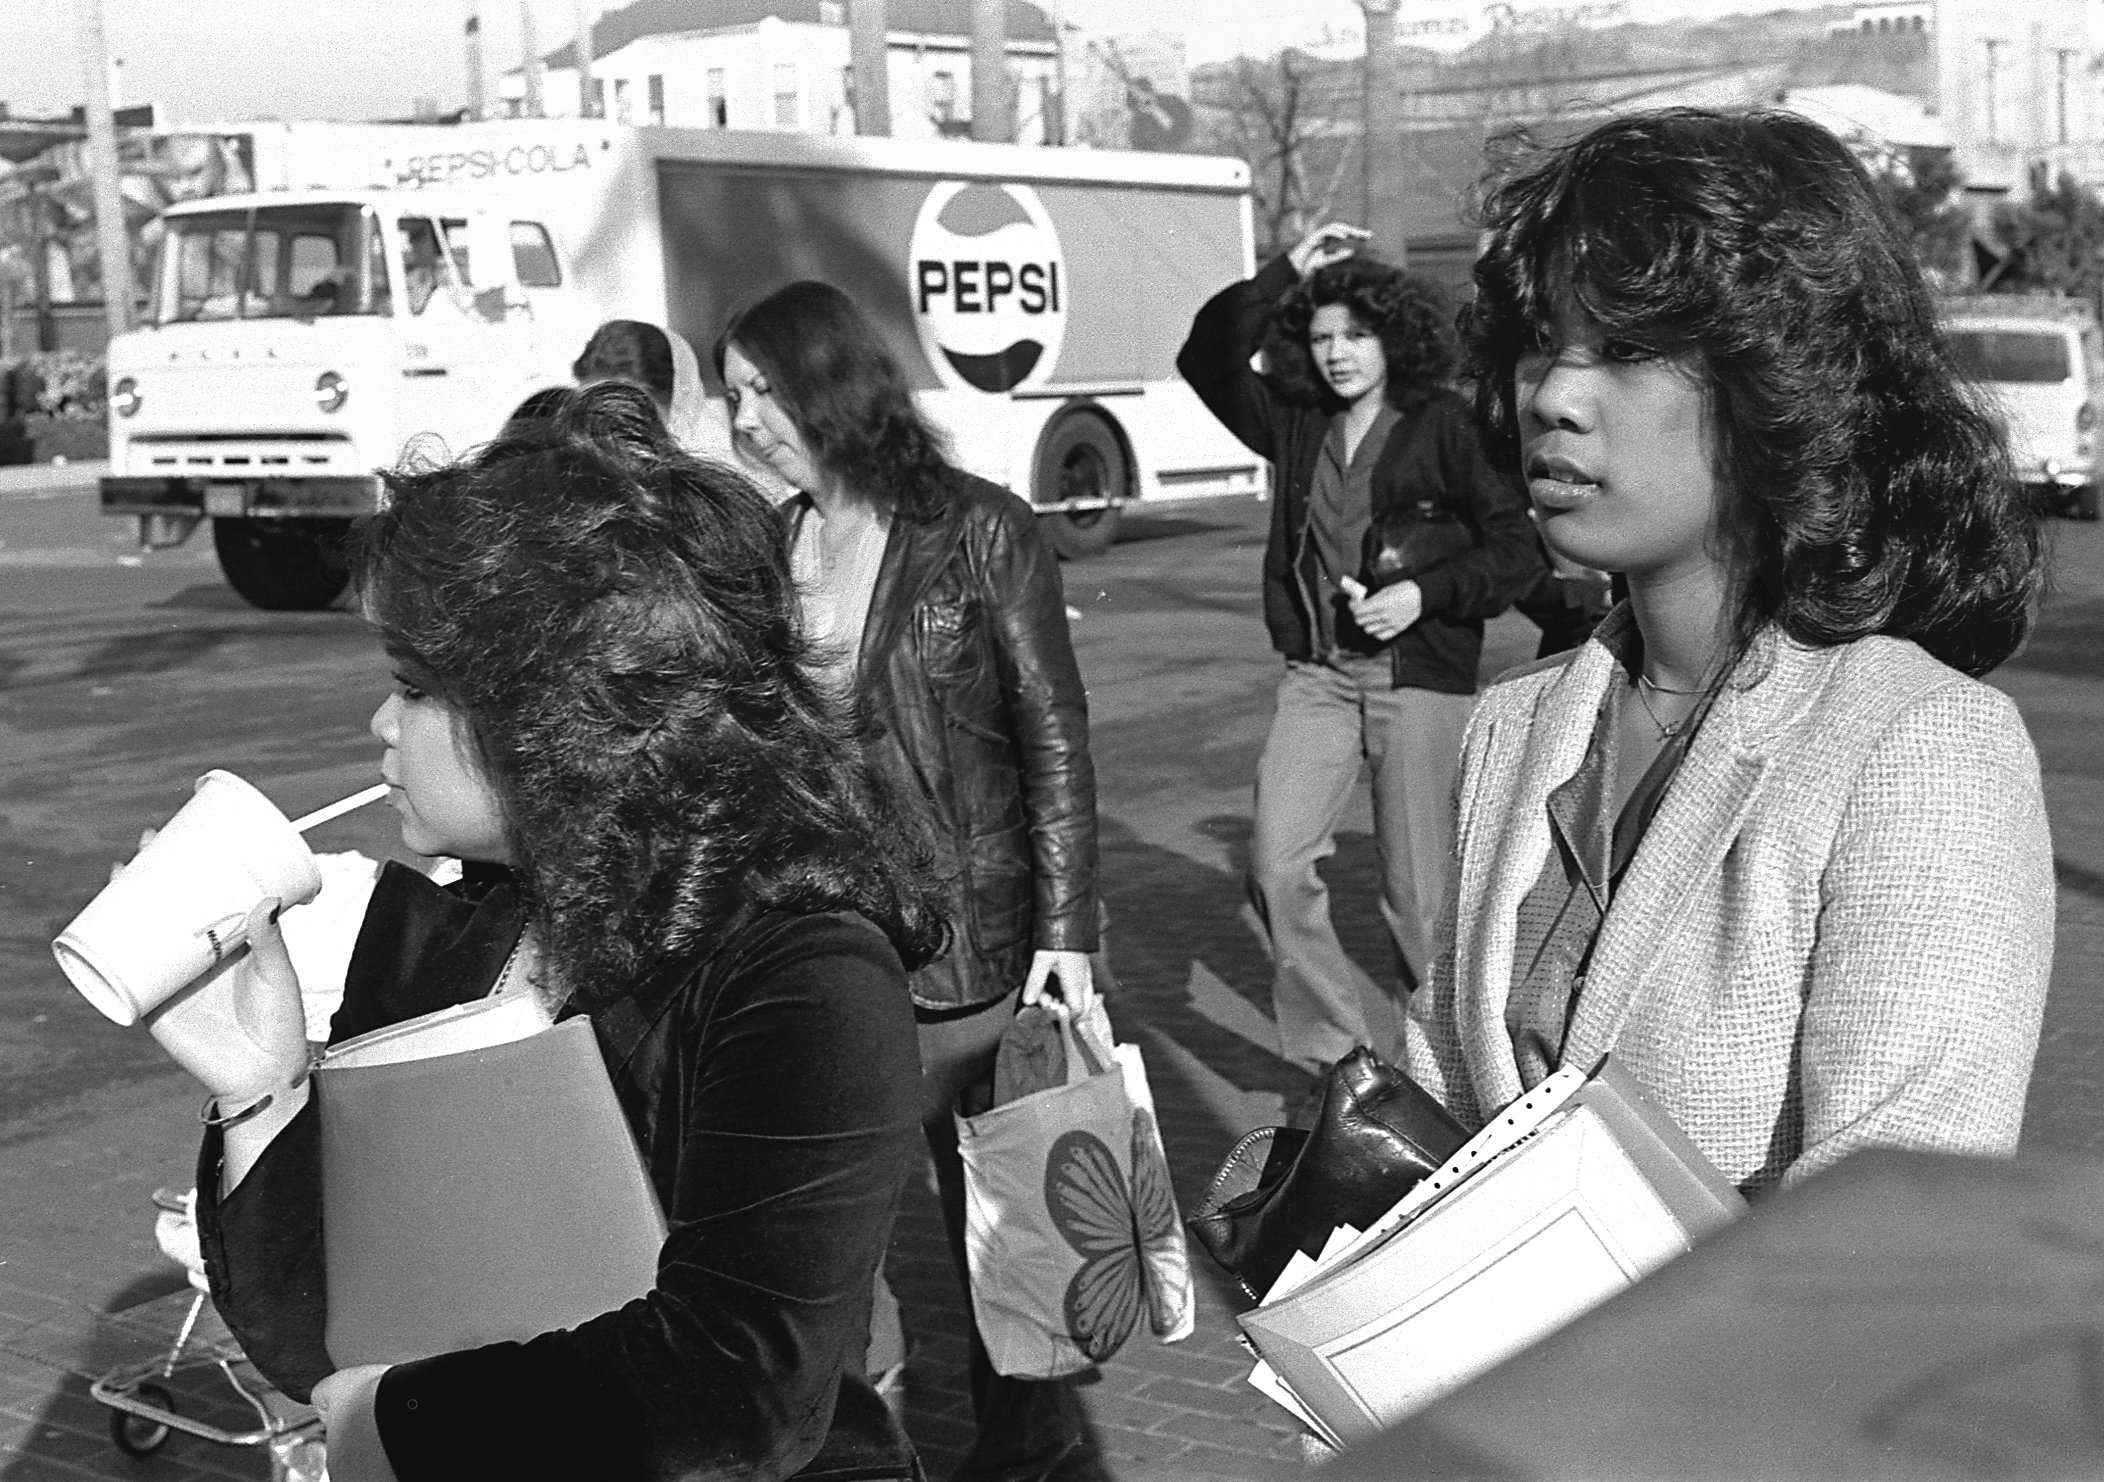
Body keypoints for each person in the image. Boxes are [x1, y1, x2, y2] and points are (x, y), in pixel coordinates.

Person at [145, 383, 947, 1479]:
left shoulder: (802, 971)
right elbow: (329, 1337)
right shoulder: (475, 918)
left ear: (556, 710)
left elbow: (738, 1382)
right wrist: (261, 1088)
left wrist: (402, 1424)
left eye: (415, 688)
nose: (382, 723)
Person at [1402, 107, 2054, 1192]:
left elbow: (1893, 1221)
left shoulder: (1916, 745)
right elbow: (1441, 1099)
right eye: (1540, 341)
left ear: (1780, 384)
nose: (1552, 396)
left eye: (1625, 348)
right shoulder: (1514, 724)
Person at [715, 281, 1105, 1482]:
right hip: (829, 940)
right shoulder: (775, 542)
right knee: (828, 1230)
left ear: (828, 385)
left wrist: (1067, 934)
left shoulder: (980, 529)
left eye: (763, 390)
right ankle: (853, 1438)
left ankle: (1030, 1445)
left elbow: (1052, 734)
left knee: (1004, 1221)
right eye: (732, 395)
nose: (744, 420)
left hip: (972, 942)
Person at [1177, 225, 1545, 1095]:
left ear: (1394, 338)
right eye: (1321, 336)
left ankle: (1461, 1077)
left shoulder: (1443, 425)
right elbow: (1205, 356)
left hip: (1415, 682)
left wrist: (1425, 593)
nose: (1337, 353)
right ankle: (1339, 1064)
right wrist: (1286, 272)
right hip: (1319, 677)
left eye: (1357, 334)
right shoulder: (1296, 421)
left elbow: (1516, 550)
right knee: (1275, 866)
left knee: (1420, 903)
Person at [574, 318, 728, 458]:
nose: (604, 432)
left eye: (625, 413)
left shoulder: (714, 454)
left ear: (676, 402)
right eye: (590, 412)